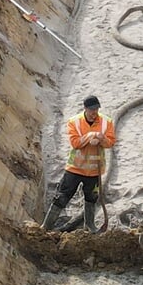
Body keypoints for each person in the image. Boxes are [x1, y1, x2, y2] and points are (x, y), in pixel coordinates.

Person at [45, 96, 116, 230]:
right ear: (85, 109)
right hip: (75, 169)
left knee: (91, 198)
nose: (94, 113)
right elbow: (75, 143)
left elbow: (111, 142)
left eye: (96, 109)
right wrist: (90, 136)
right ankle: (47, 226)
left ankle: (89, 226)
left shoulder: (106, 122)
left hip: (95, 170)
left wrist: (102, 139)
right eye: (91, 110)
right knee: (62, 197)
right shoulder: (75, 122)